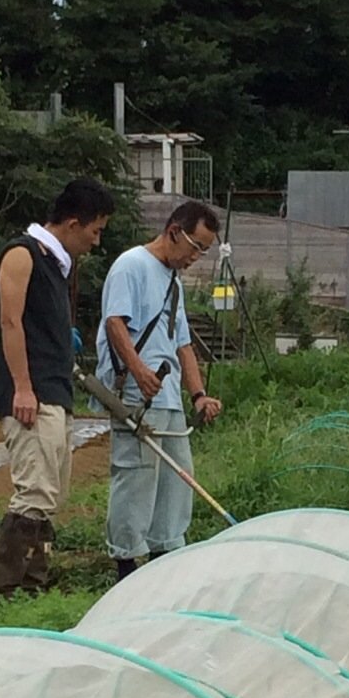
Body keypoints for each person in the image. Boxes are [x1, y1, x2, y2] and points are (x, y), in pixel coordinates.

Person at [0, 177, 115, 596]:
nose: (96, 242)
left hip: (56, 392)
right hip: (32, 395)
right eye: (95, 232)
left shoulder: (57, 265)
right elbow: (11, 322)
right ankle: (6, 588)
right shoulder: (23, 254)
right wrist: (23, 387)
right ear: (74, 223)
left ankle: (33, 584)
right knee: (34, 491)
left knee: (50, 494)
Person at [95, 201, 222, 581]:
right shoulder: (131, 265)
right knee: (135, 478)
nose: (196, 257)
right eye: (195, 247)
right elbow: (115, 321)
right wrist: (138, 369)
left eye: (204, 251)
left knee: (176, 479)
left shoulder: (174, 283)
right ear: (173, 232)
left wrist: (198, 394)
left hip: (166, 398)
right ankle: (127, 567)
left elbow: (182, 344)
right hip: (135, 395)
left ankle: (166, 560)